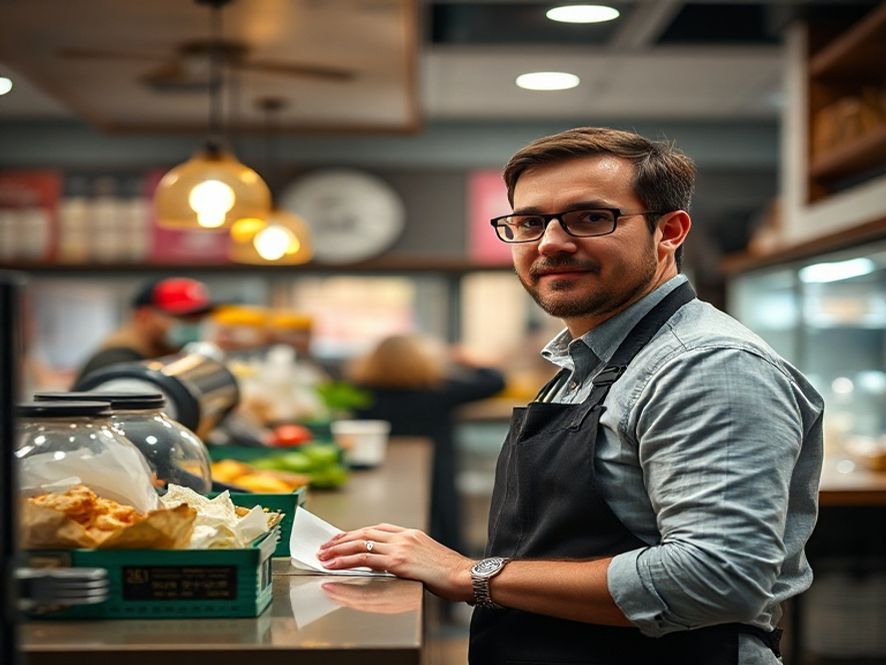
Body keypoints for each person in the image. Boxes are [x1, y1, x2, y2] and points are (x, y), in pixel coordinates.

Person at [316, 127, 824, 665]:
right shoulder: (589, 360)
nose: (551, 243)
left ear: (669, 231)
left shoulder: (706, 365)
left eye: (590, 217)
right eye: (530, 222)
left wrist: (467, 573)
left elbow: (717, 579)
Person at [347, 334, 505, 554]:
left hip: (383, 473)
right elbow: (495, 381)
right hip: (436, 470)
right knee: (442, 522)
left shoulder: (361, 394)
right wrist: (469, 360)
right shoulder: (438, 391)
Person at [74, 277, 216, 384]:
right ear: (143, 317)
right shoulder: (116, 364)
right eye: (182, 317)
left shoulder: (158, 358)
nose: (193, 325)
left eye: (198, 319)